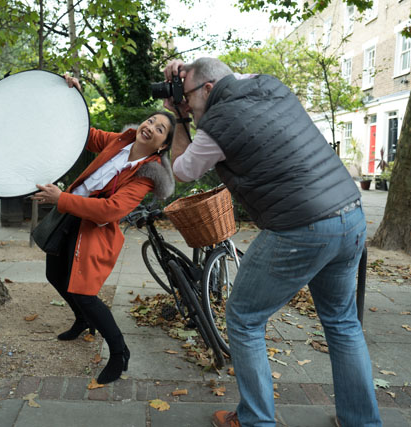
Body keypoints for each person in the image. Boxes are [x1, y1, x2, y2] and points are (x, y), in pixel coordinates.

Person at [161, 57, 382, 427]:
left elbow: (182, 169)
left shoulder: (217, 124)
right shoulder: (268, 84)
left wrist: (180, 119)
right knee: (343, 322)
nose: (186, 102)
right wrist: (191, 74)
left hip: (301, 227)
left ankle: (255, 421)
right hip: (350, 214)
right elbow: (224, 72)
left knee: (244, 318)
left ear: (209, 90)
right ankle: (361, 422)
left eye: (188, 95)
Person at [33, 75, 175, 384]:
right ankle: (83, 322)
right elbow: (82, 134)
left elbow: (113, 210)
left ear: (162, 145)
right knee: (54, 274)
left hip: (94, 229)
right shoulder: (120, 141)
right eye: (150, 120)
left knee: (84, 292)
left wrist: (61, 198)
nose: (150, 126)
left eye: (159, 128)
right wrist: (75, 99)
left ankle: (119, 352)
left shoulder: (147, 174)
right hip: (69, 214)